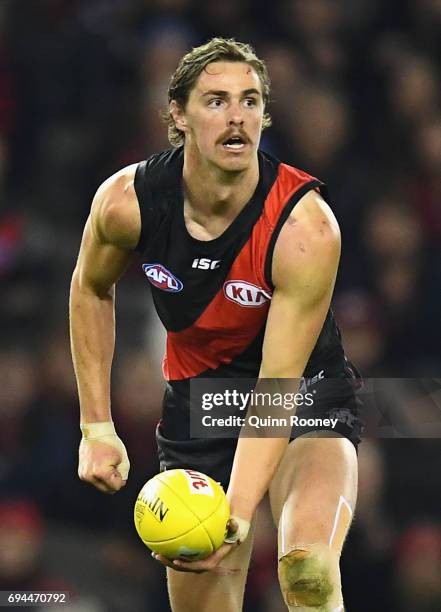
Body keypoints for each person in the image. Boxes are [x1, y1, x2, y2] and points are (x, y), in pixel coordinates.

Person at [70, 37, 362, 611]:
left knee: (307, 571)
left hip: (303, 397)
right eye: (216, 101)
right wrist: (96, 427)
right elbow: (90, 286)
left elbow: (277, 385)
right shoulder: (126, 204)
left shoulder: (305, 228)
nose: (237, 116)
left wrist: (235, 511)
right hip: (199, 403)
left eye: (251, 101)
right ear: (177, 113)